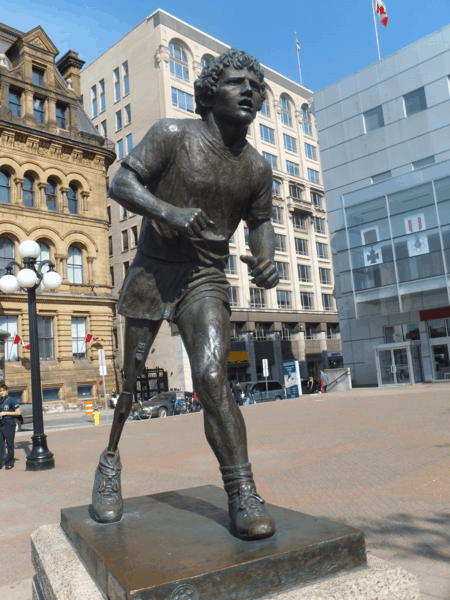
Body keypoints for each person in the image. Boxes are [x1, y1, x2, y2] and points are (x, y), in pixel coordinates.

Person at [91, 48, 279, 541]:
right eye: (237, 82)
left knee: (213, 373)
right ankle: (109, 463)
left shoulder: (257, 170)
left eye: (255, 87)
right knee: (130, 385)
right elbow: (122, 182)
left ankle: (242, 491)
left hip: (205, 276)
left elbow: (261, 226)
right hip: (154, 270)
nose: (249, 92)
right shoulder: (173, 135)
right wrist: (166, 212)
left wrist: (266, 260)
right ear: (210, 91)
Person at [0, 384, 21, 470]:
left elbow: (18, 412)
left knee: (10, 444)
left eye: (3, 390)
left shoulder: (12, 400)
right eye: (0, 391)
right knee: (0, 445)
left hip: (9, 424)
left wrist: (5, 413)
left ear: (6, 391)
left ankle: (10, 462)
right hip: (1, 424)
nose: (1, 392)